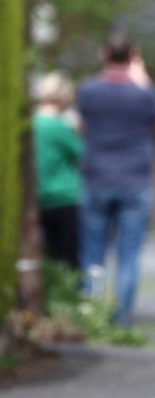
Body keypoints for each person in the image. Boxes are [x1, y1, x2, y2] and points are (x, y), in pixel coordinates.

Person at [77, 33, 155, 326]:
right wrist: (143, 77)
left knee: (92, 251)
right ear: (133, 55)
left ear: (104, 54)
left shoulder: (88, 90)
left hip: (96, 177)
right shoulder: (143, 93)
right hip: (135, 180)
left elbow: (81, 125)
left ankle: (90, 316)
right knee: (128, 253)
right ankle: (121, 320)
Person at [33, 72, 83, 270]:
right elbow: (79, 152)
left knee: (46, 256)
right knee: (68, 258)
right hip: (63, 196)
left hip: (38, 195)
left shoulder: (33, 121)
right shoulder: (59, 125)